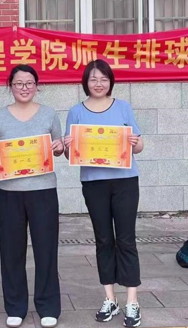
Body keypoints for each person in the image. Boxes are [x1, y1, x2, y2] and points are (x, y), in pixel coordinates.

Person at [0, 65, 65, 328]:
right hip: (9, 193)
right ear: (11, 86)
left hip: (43, 191)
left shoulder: (49, 114)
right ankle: (15, 307)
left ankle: (48, 306)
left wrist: (60, 146)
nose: (24, 88)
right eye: (18, 83)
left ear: (37, 86)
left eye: (29, 83)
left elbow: (59, 148)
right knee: (11, 251)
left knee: (46, 250)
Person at [64, 59, 144, 328]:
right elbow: (68, 154)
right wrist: (67, 145)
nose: (98, 84)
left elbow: (139, 146)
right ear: (85, 82)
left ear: (110, 82)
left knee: (126, 239)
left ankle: (132, 300)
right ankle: (110, 298)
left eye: (103, 79)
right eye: (93, 79)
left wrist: (135, 142)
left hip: (125, 181)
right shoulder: (76, 112)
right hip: (94, 183)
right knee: (103, 240)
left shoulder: (123, 107)